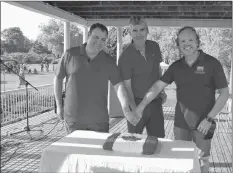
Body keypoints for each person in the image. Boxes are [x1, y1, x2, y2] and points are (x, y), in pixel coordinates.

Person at [136, 26, 229, 173]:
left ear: (198, 42)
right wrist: (141, 106)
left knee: (202, 159)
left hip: (204, 123)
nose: (187, 44)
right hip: (181, 124)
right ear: (178, 44)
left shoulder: (212, 64)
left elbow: (224, 93)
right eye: (183, 41)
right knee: (181, 161)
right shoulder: (176, 67)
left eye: (191, 40)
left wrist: (209, 119)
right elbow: (157, 87)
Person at [54, 23, 140, 134]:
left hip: (99, 123)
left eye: (103, 39)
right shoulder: (70, 55)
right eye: (96, 37)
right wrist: (59, 106)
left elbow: (119, 86)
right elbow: (58, 79)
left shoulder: (108, 61)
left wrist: (126, 110)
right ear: (89, 35)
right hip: (73, 122)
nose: (99, 42)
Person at [118, 16, 167, 137]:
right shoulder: (125, 56)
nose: (138, 34)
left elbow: (158, 70)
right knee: (134, 141)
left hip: (155, 103)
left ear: (147, 31)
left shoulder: (155, 46)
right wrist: (135, 109)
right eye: (135, 30)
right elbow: (127, 86)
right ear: (130, 33)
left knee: (158, 141)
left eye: (142, 29)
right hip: (136, 102)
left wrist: (162, 91)